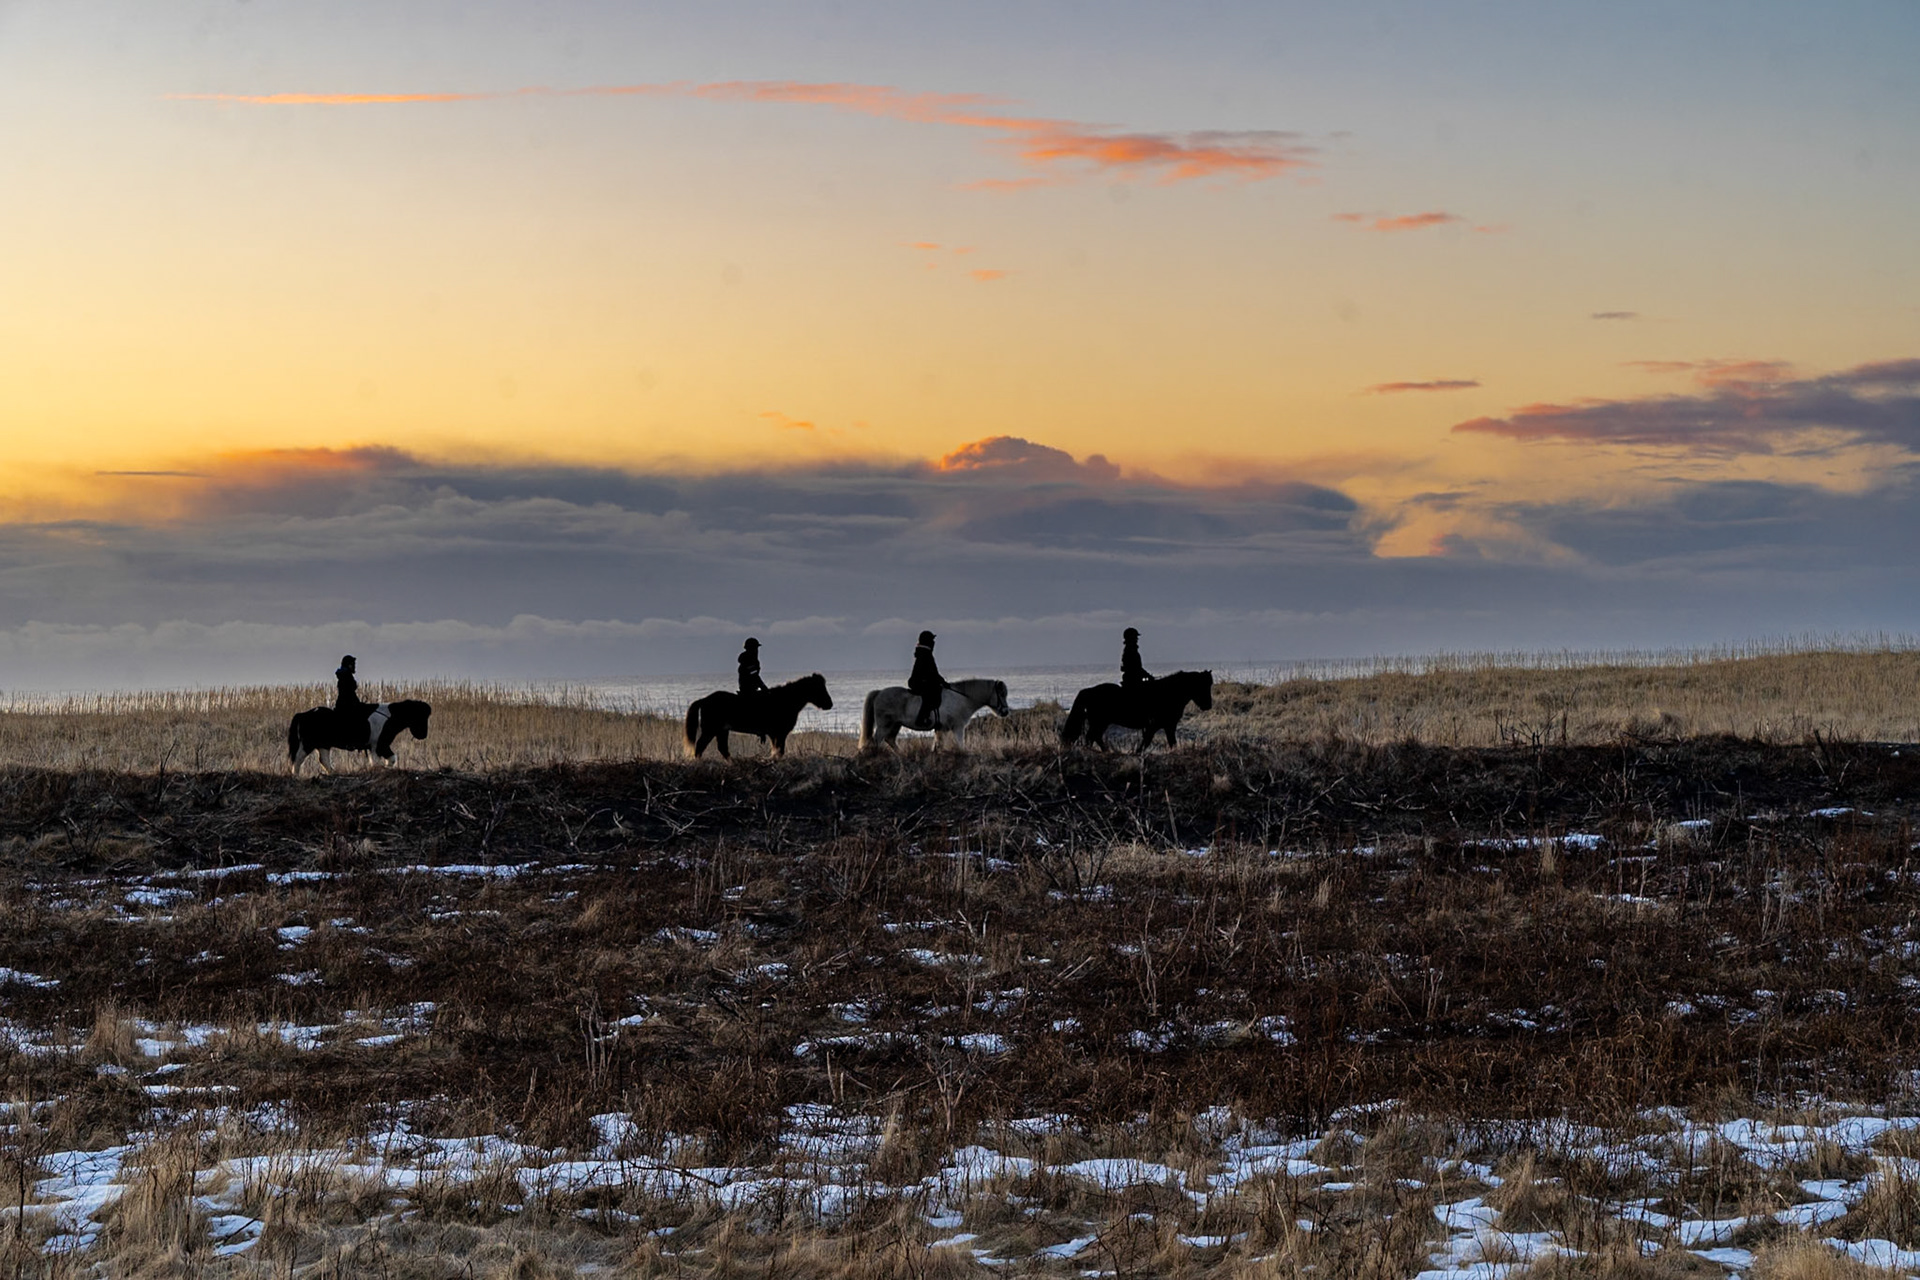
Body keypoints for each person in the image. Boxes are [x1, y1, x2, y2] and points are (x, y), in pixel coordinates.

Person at [908, 630, 948, 730]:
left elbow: (933, 673)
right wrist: (941, 682)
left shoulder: (925, 653)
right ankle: (921, 719)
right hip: (918, 682)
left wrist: (941, 681)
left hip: (922, 681)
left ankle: (936, 718)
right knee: (929, 696)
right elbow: (931, 673)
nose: (934, 643)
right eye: (932, 641)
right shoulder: (925, 654)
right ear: (928, 642)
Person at [334, 655, 372, 726]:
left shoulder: (345, 676)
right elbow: (348, 694)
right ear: (349, 665)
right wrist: (357, 704)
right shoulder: (346, 677)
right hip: (346, 707)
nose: (355, 667)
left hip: (344, 705)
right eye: (353, 664)